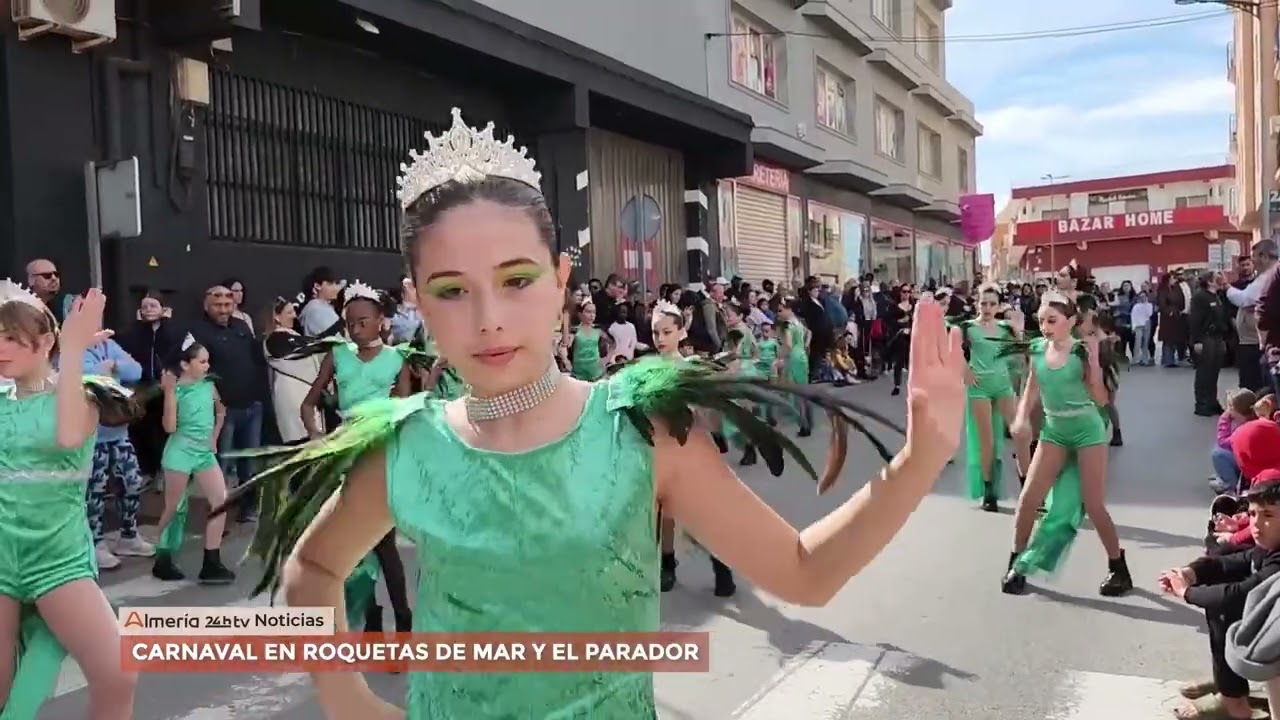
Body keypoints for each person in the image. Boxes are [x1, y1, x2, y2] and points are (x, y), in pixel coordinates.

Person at [211, 108, 966, 719]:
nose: (488, 318)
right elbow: (313, 567)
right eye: (450, 289)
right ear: (416, 297)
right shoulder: (406, 445)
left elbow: (802, 573)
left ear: (561, 278)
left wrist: (918, 460)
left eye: (515, 279)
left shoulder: (638, 431)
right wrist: (347, 697)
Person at [0, 283, 139, 718]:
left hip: (58, 560)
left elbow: (65, 437)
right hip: (1, 557)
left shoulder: (84, 393)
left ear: (44, 342)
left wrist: (74, 349)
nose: (0, 348)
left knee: (117, 674)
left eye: (10, 338)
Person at [296, 281, 414, 634]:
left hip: (379, 452)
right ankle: (373, 618)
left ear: (381, 320)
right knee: (354, 544)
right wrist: (317, 436)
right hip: (345, 452)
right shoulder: (338, 355)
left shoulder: (398, 358)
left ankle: (403, 620)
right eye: (349, 322)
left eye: (363, 320)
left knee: (383, 541)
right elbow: (309, 402)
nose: (355, 327)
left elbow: (403, 412)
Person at [1004, 290, 1131, 597]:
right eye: (1041, 320)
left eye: (1052, 320)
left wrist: (1096, 366)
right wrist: (1021, 419)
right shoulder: (1036, 349)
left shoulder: (1081, 352)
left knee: (1093, 504)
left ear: (1071, 321)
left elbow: (1101, 400)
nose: (1045, 326)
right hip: (1054, 430)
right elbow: (1031, 390)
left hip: (1087, 430)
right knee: (1029, 499)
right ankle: (1015, 564)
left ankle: (1119, 568)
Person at [1162, 478, 1280, 720]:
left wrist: (1187, 592)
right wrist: (1192, 572)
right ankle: (1229, 687)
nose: (1257, 524)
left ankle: (1233, 697)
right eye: (1253, 514)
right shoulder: (1269, 548)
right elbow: (1235, 561)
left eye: (1268, 515)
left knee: (1227, 606)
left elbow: (1238, 594)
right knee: (1220, 563)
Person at [151, 336, 236, 584]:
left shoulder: (209, 385)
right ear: (185, 364)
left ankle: (212, 561)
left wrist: (214, 437)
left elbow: (221, 411)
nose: (207, 366)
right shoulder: (175, 389)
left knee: (220, 501)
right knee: (175, 507)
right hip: (179, 452)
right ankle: (163, 557)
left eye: (207, 361)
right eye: (202, 361)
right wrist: (168, 392)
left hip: (203, 453)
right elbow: (169, 427)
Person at [954, 285, 1028, 512]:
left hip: (1002, 384)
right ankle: (989, 491)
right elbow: (950, 349)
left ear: (999, 306)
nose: (987, 308)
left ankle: (1028, 487)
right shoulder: (967, 328)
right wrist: (964, 368)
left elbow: (1023, 351)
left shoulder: (1006, 328)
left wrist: (1018, 330)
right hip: (979, 388)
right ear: (976, 303)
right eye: (983, 303)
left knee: (1020, 433)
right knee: (986, 441)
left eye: (992, 304)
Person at [1190, 271, 1231, 417]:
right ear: (1209, 281)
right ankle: (1201, 404)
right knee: (1204, 372)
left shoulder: (1217, 296)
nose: (1220, 279)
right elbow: (1194, 320)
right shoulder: (1200, 297)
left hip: (1218, 337)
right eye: (1217, 277)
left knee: (1214, 372)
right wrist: (1196, 341)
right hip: (1205, 337)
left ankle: (1212, 402)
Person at [1210, 389, 1257, 494]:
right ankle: (1227, 481)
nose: (1228, 410)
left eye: (1231, 407)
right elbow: (1222, 440)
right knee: (1219, 452)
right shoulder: (1228, 420)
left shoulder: (1254, 422)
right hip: (1238, 452)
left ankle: (1230, 485)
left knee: (1218, 454)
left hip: (1249, 458)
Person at [1129, 290, 1155, 366]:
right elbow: (1133, 316)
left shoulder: (1149, 305)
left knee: (1145, 342)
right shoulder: (1136, 306)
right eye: (1141, 296)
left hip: (1146, 324)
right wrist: (1133, 327)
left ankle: (1145, 359)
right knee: (1138, 342)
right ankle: (1136, 359)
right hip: (1138, 325)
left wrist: (1146, 304)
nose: (1143, 298)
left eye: (1144, 296)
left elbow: (1149, 314)